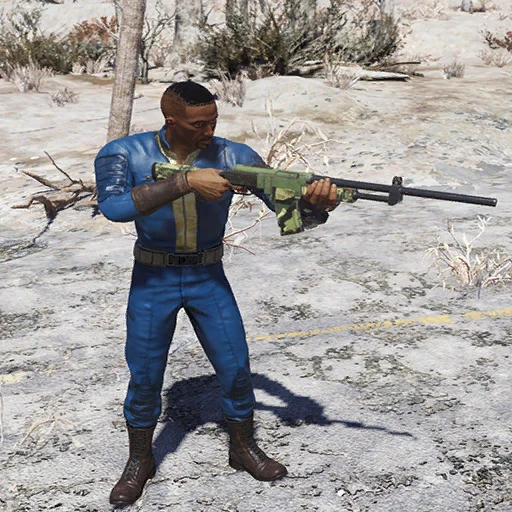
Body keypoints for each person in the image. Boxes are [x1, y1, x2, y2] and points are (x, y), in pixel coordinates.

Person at [94, 81, 340, 506]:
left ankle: (242, 448)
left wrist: (318, 205)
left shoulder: (234, 156)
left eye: (213, 122)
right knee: (146, 375)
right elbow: (113, 207)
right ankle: (140, 460)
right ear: (171, 121)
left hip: (208, 275)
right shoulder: (124, 153)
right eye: (198, 125)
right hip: (153, 279)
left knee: (235, 365)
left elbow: (286, 210)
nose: (208, 131)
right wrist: (186, 182)